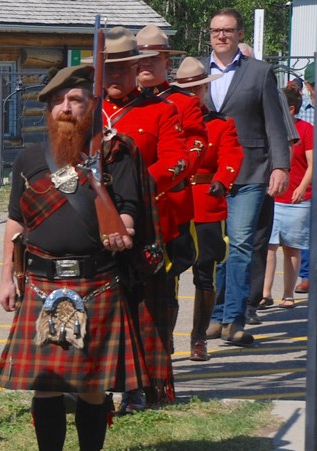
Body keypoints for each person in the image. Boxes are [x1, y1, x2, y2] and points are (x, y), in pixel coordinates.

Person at [0, 65, 153, 451]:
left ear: (91, 108)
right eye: (58, 102)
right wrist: (7, 275)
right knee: (45, 385)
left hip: (97, 282)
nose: (66, 108)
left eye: (76, 100)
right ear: (48, 110)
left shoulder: (115, 153)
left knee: (93, 388)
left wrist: (121, 229)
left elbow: (128, 211)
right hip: (43, 284)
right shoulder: (28, 160)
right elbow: (15, 221)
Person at [98, 26, 187, 412]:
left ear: (137, 69)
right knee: (100, 307)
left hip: (144, 224)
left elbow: (177, 161)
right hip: (93, 225)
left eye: (122, 68)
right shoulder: (86, 109)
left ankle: (138, 387)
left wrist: (131, 186)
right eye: (109, 68)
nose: (115, 75)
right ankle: (92, 384)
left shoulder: (161, 111)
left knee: (142, 308)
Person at [205, 8, 291, 346]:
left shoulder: (259, 72)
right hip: (209, 174)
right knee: (213, 250)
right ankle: (215, 314)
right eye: (216, 31)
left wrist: (280, 166)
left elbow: (274, 122)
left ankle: (234, 320)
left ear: (240, 34)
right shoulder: (197, 72)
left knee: (240, 244)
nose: (222, 36)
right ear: (210, 35)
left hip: (250, 170)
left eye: (228, 30)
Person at [136, 24, 207, 351]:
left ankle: (161, 349)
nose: (146, 64)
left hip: (168, 203)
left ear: (167, 62)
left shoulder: (182, 102)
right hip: (123, 208)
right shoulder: (118, 101)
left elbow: (194, 146)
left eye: (155, 58)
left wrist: (169, 173)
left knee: (166, 281)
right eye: (141, 58)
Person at [171, 57, 243, 362]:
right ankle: (164, 337)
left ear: (203, 90)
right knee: (168, 273)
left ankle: (198, 339)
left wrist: (222, 181)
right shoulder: (167, 119)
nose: (191, 95)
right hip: (173, 202)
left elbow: (231, 155)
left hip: (204, 201)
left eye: (195, 89)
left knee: (205, 273)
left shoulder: (219, 122)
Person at [262, 84, 313, 308]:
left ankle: (288, 295)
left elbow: (313, 164)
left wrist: (302, 187)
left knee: (292, 248)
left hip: (297, 200)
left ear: (291, 109)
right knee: (269, 247)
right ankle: (264, 293)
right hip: (273, 197)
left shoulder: (307, 130)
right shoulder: (271, 129)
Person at [296, 61, 314, 294]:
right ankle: (308, 274)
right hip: (307, 174)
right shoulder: (301, 110)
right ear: (309, 85)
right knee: (305, 227)